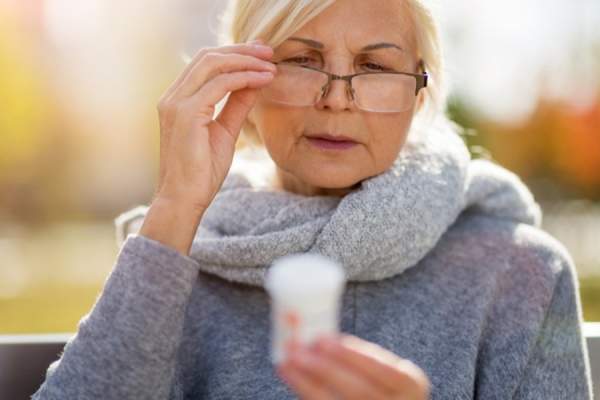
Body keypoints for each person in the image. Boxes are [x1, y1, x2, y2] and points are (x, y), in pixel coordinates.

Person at [32, 0, 594, 399]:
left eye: (374, 67)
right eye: (302, 60)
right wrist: (176, 204)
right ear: (245, 85)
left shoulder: (522, 273)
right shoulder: (174, 258)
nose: (336, 101)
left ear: (419, 96)